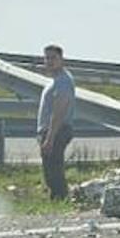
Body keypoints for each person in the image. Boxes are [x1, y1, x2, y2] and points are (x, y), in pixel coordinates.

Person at [37, 44, 76, 200]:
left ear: (62, 60)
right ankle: (57, 197)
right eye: (47, 58)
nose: (49, 61)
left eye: (53, 58)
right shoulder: (54, 81)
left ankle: (60, 198)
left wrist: (50, 138)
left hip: (57, 130)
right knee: (50, 167)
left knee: (53, 168)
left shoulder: (63, 81)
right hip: (51, 130)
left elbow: (59, 110)